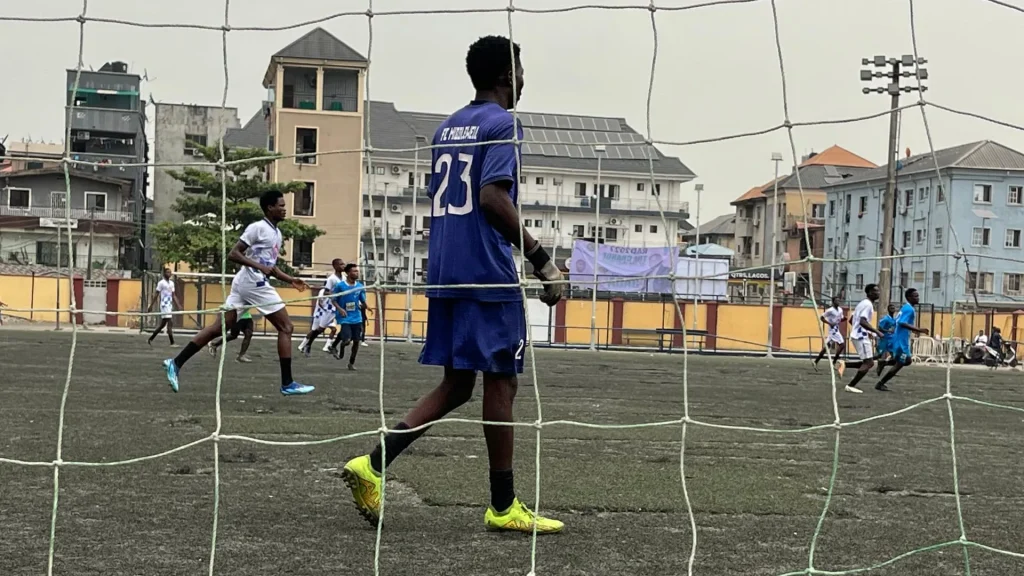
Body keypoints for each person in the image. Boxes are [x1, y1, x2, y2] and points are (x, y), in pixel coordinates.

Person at [340, 35, 565, 534]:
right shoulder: (503, 123)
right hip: (486, 271)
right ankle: (503, 506)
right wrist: (542, 260)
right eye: (522, 71)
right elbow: (490, 198)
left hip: (445, 269)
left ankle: (371, 465)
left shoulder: (447, 128)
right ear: (508, 76)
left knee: (459, 383)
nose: (525, 81)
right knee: (501, 381)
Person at [162, 190, 315, 396]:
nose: (284, 209)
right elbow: (234, 254)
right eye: (281, 205)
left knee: (218, 328)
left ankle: (175, 362)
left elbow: (270, 265)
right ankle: (287, 383)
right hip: (253, 283)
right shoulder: (257, 228)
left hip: (245, 282)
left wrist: (290, 280)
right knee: (286, 327)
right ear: (270, 208)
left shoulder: (277, 234)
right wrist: (259, 268)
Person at [876, 288, 929, 391]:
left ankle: (884, 363)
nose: (917, 298)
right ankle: (880, 383)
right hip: (900, 341)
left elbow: (898, 322)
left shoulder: (905, 308)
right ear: (909, 297)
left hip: (901, 339)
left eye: (917, 295)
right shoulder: (909, 309)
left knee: (907, 361)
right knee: (901, 362)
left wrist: (911, 330)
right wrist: (918, 329)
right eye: (915, 296)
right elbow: (901, 323)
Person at [840, 284, 883, 393]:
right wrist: (876, 331)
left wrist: (866, 331)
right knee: (869, 363)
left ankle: (845, 364)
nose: (878, 293)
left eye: (878, 291)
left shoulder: (862, 303)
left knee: (867, 361)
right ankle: (850, 385)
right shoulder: (868, 305)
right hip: (860, 337)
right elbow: (862, 321)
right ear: (869, 293)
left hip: (859, 335)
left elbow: (851, 320)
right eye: (875, 291)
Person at [298, 259, 345, 353]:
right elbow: (322, 299)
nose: (343, 266)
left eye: (344, 264)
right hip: (324, 311)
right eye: (341, 264)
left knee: (337, 328)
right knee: (318, 330)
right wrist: (334, 295)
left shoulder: (344, 278)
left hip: (338, 308)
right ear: (335, 266)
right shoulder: (331, 280)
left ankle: (329, 346)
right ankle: (306, 344)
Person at [328, 263, 366, 370]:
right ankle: (340, 348)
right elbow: (333, 299)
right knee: (347, 340)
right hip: (344, 316)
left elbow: (362, 300)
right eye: (354, 271)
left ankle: (351, 363)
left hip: (357, 317)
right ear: (348, 273)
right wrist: (340, 309)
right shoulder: (340, 286)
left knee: (356, 341)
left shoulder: (360, 286)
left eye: (357, 271)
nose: (356, 273)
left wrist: (366, 306)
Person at [147, 268, 184, 347]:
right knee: (170, 322)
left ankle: (151, 338)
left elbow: (173, 295)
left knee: (163, 325)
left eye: (170, 272)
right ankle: (172, 342)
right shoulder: (161, 283)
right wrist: (151, 306)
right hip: (164, 305)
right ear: (164, 273)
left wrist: (178, 305)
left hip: (169, 305)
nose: (169, 274)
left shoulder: (172, 283)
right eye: (167, 272)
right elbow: (156, 294)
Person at [813, 296, 846, 377]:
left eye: (839, 300)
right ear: (833, 302)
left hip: (836, 329)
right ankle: (834, 361)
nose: (838, 302)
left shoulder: (840, 310)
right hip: (833, 331)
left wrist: (844, 319)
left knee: (826, 347)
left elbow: (840, 319)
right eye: (836, 300)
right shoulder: (830, 310)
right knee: (842, 345)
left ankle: (816, 361)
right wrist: (829, 323)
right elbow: (822, 317)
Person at [874, 303, 898, 376]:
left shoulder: (894, 319)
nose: (893, 310)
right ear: (888, 309)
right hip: (884, 339)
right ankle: (865, 363)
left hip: (891, 340)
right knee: (878, 355)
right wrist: (887, 331)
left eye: (893, 308)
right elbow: (879, 328)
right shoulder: (885, 319)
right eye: (891, 308)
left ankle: (883, 364)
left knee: (894, 357)